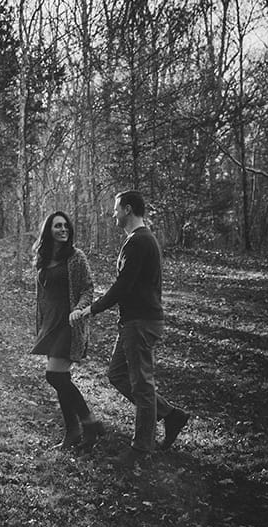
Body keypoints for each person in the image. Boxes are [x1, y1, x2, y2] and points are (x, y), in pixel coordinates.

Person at [70, 191, 190, 467]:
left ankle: (140, 449)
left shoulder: (139, 241)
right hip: (133, 322)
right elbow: (128, 284)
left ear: (127, 209)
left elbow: (124, 285)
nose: (113, 214)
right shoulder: (137, 240)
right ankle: (170, 415)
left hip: (141, 322)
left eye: (116, 209)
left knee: (142, 386)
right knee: (117, 374)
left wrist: (92, 309)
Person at [31, 211, 105, 450]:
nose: (63, 229)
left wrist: (80, 309)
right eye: (57, 226)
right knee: (61, 378)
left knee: (54, 376)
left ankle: (89, 422)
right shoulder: (44, 259)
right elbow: (42, 296)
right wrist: (40, 325)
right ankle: (73, 431)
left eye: (65, 226)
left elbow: (88, 288)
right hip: (50, 324)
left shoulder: (76, 257)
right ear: (48, 231)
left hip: (69, 324)